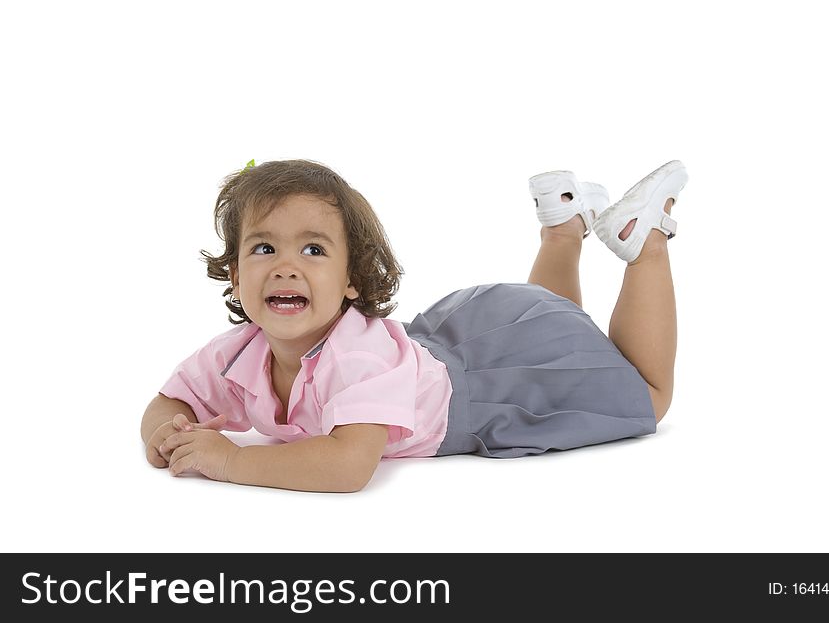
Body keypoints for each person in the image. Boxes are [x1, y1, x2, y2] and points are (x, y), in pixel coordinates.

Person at [141, 158, 687, 492]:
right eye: (264, 248)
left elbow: (349, 464)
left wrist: (233, 460)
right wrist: (167, 435)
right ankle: (563, 230)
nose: (287, 266)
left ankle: (646, 248)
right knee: (556, 326)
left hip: (482, 391)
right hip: (471, 335)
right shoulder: (236, 352)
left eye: (313, 249)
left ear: (352, 278)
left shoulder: (355, 358)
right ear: (236, 276)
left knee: (648, 395)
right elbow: (170, 401)